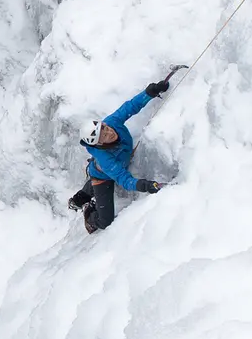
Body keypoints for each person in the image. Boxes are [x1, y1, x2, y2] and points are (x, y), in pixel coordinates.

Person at [68, 72, 175, 233]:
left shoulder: (112, 122)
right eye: (103, 135)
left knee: (95, 177)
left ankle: (78, 199)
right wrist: (144, 185)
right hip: (102, 176)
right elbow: (124, 179)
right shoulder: (105, 159)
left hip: (102, 169)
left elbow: (130, 107)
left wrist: (150, 92)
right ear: (99, 144)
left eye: (104, 128)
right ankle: (88, 210)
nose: (108, 132)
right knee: (105, 221)